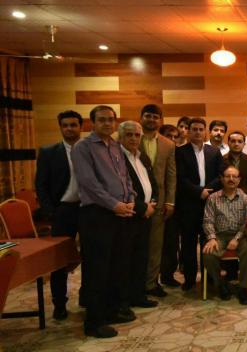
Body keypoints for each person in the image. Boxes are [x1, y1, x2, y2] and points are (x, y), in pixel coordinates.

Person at [71, 105, 136, 338]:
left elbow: (125, 177)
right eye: (102, 120)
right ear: (92, 122)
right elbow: (89, 183)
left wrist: (130, 199)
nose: (107, 123)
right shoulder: (83, 147)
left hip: (120, 213)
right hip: (97, 215)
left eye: (111, 119)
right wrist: (114, 205)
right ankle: (94, 322)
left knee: (116, 267)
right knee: (97, 270)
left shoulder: (116, 146)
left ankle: (110, 311)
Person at [35, 110, 83, 320]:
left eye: (73, 124)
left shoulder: (89, 150)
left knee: (92, 256)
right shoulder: (48, 152)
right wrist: (51, 212)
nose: (69, 129)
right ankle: (59, 303)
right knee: (60, 260)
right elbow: (41, 185)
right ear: (60, 127)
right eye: (65, 125)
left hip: (88, 209)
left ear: (80, 126)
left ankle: (88, 298)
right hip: (63, 211)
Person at [175, 117, 224, 291]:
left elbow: (220, 175)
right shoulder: (180, 152)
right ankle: (189, 279)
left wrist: (207, 191)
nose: (197, 132)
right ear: (188, 131)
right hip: (188, 204)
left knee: (208, 240)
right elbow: (180, 178)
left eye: (200, 129)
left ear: (205, 132)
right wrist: (198, 191)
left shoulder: (214, 151)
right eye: (194, 129)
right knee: (188, 243)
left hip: (209, 203)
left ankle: (208, 277)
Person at [118, 121, 159, 309]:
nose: (133, 138)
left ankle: (138, 295)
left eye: (137, 135)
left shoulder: (143, 158)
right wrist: (143, 208)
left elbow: (153, 184)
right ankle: (124, 300)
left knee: (141, 257)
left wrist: (153, 203)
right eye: (129, 135)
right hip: (128, 215)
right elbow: (121, 190)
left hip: (146, 215)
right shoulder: (117, 158)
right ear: (120, 137)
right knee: (125, 260)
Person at [138, 104, 177, 296]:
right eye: (148, 116)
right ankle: (134, 284)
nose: (152, 120)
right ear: (141, 118)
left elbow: (171, 175)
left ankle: (151, 283)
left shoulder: (168, 144)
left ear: (160, 120)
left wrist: (170, 201)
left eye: (155, 117)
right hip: (134, 202)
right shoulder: (130, 138)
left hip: (159, 202)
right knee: (134, 245)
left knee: (155, 246)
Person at [202, 166, 247, 305]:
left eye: (234, 176)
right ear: (222, 179)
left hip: (241, 235)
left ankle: (243, 288)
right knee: (208, 254)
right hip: (219, 235)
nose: (231, 179)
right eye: (227, 176)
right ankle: (220, 284)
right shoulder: (213, 198)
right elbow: (208, 220)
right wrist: (212, 238)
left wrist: (236, 238)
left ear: (239, 179)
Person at [223, 131, 247, 196]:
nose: (236, 144)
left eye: (240, 141)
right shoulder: (221, 160)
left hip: (246, 195)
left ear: (244, 144)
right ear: (228, 143)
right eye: (233, 141)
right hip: (226, 195)